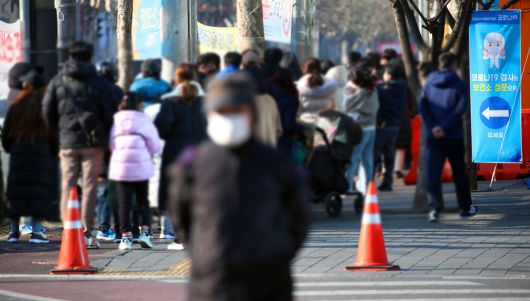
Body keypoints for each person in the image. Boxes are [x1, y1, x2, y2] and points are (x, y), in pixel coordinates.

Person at [168, 75, 310, 301]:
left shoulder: (278, 165)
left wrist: (279, 252)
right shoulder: (192, 165)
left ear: (251, 114)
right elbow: (181, 216)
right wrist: (203, 251)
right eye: (222, 111)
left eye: (237, 111)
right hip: (211, 284)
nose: (230, 118)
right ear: (209, 116)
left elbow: (299, 218)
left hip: (269, 281)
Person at [43, 41, 116, 248]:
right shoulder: (99, 83)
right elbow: (108, 114)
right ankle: (87, 229)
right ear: (90, 57)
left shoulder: (58, 81)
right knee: (91, 185)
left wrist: (61, 130)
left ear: (70, 56)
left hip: (67, 142)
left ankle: (69, 229)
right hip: (93, 142)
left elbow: (47, 111)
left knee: (68, 183)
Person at [419, 53, 478, 222]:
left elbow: (423, 107)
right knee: (459, 172)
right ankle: (465, 207)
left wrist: (433, 127)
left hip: (433, 135)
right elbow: (460, 109)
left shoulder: (429, 83)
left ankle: (434, 209)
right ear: (454, 65)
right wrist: (445, 128)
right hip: (454, 135)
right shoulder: (459, 84)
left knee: (433, 172)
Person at [155, 64, 208, 249]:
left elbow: (162, 129)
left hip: (175, 153)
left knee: (177, 195)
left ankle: (181, 236)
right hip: (202, 152)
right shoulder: (206, 100)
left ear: (177, 78)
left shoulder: (170, 101)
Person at [3, 70, 58, 244]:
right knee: (38, 192)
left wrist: (11, 148)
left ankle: (13, 232)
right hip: (41, 153)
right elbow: (54, 134)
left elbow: (6, 135)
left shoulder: (16, 105)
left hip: (18, 152)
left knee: (16, 193)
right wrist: (52, 152)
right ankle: (36, 232)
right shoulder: (47, 105)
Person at [108, 92, 161, 250]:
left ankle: (126, 238)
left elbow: (111, 143)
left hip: (121, 166)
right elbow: (155, 144)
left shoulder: (117, 120)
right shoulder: (144, 119)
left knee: (123, 203)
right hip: (141, 165)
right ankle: (144, 232)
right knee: (142, 201)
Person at [95, 59, 123, 241]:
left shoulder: (91, 91)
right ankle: (120, 228)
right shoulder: (117, 92)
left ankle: (101, 227)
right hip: (116, 143)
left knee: (101, 188)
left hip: (96, 143)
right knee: (117, 188)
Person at [344, 69, 379, 194]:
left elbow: (346, 106)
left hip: (360, 130)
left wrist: (348, 93)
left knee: (354, 158)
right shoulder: (373, 90)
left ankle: (348, 186)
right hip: (371, 128)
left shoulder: (359, 93)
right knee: (368, 159)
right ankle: (370, 186)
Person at [374, 64, 408, 191]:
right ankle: (388, 182)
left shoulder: (382, 89)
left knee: (375, 154)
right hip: (395, 124)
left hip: (381, 124)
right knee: (389, 155)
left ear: (389, 74)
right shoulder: (403, 88)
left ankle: (369, 182)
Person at [242, 65, 283, 147]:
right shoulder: (270, 100)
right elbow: (279, 129)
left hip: (249, 153)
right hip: (269, 151)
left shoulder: (242, 101)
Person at [268, 68, 300, 155]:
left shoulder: (267, 91)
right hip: (282, 141)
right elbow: (289, 125)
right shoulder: (290, 98)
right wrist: (301, 127)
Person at [296, 58, 338, 123]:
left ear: (305, 69)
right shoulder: (330, 83)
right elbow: (334, 105)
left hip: (306, 122)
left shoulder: (300, 84)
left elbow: (298, 108)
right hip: (326, 123)